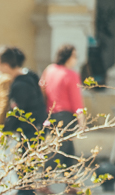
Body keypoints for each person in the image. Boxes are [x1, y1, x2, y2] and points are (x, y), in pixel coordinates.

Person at [0, 46, 47, 195]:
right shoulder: (31, 77)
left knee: (24, 170)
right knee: (28, 169)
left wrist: (4, 132)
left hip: (28, 132)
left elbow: (16, 112)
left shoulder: (20, 85)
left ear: (5, 65)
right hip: (37, 129)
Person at [41, 44, 85, 176]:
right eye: (74, 56)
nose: (76, 59)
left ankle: (70, 181)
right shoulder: (71, 75)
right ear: (68, 57)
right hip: (65, 116)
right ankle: (44, 179)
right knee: (59, 149)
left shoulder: (49, 70)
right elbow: (76, 100)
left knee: (68, 150)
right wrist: (81, 120)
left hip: (51, 114)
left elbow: (42, 88)